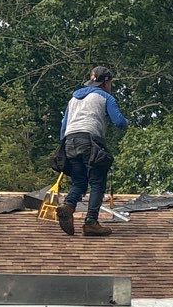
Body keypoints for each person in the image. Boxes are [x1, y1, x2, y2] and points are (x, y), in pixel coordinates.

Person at [55, 65, 128, 236]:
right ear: (107, 81)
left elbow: (63, 126)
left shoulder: (73, 99)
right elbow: (119, 122)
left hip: (69, 141)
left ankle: (68, 206)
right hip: (90, 141)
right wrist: (127, 122)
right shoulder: (105, 96)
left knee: (79, 182)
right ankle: (91, 222)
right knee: (97, 181)